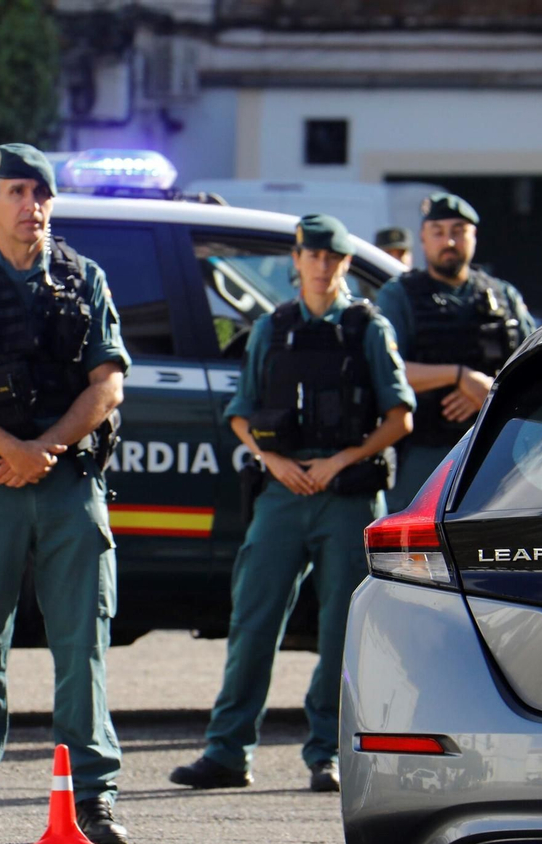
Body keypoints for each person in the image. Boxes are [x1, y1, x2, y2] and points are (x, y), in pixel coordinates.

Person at [0, 144, 131, 844]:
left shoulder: (83, 278)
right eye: (14, 191)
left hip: (69, 483)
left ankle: (94, 799)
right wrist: (12, 450)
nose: (29, 205)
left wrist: (46, 450)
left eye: (40, 193)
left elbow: (107, 386)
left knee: (84, 644)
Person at [169, 215, 414, 794]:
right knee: (253, 621)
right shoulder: (272, 328)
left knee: (340, 631)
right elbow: (240, 410)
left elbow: (400, 416)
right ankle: (228, 751)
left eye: (333, 257)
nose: (322, 266)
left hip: (346, 493)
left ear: (346, 263)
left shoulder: (367, 329)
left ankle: (327, 752)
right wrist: (273, 461)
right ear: (296, 261)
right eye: (312, 255)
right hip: (282, 490)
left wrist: (340, 461)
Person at [375, 194, 535, 510]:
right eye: (438, 231)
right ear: (423, 238)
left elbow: (534, 366)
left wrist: (488, 391)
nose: (449, 240)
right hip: (422, 454)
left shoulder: (503, 295)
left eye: (459, 231)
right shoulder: (399, 295)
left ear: (473, 236)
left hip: (495, 447)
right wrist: (461, 377)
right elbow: (386, 371)